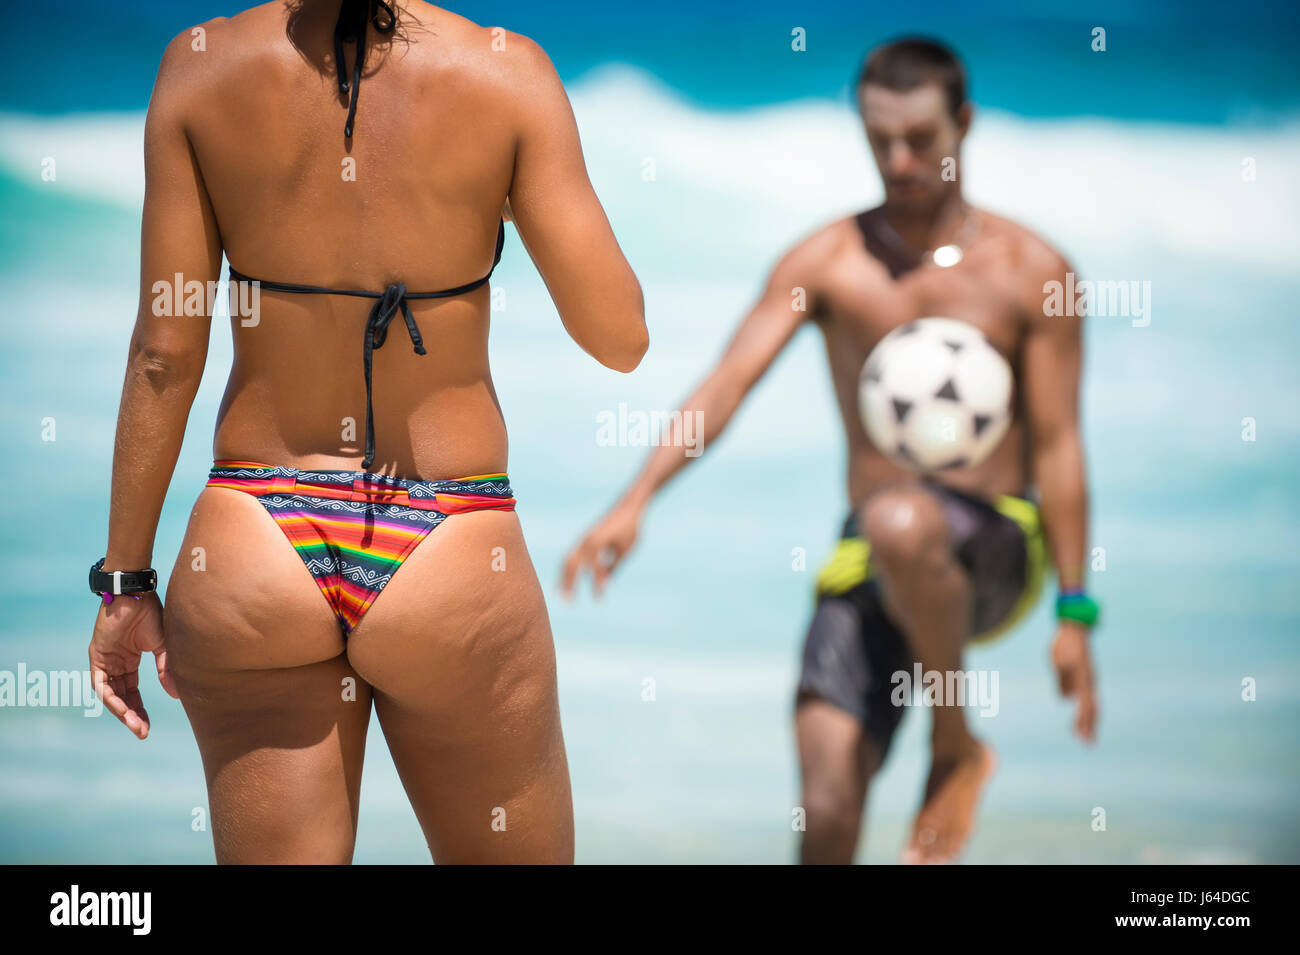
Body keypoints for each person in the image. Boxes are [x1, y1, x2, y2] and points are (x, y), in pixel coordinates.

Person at [87, 0, 646, 864]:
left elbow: (165, 349)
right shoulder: (505, 71)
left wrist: (125, 581)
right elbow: (620, 338)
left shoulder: (198, 64)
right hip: (450, 545)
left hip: (251, 541)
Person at [562, 37, 1098, 864]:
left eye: (920, 137)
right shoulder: (830, 263)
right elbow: (728, 383)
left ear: (966, 123)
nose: (899, 158)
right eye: (879, 139)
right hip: (874, 553)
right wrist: (635, 501)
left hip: (996, 549)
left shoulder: (1033, 273)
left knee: (897, 517)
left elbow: (1060, 449)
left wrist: (1074, 610)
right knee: (826, 800)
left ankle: (955, 746)